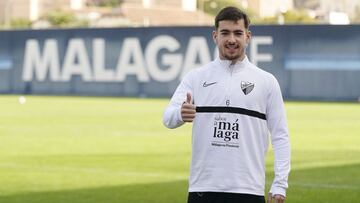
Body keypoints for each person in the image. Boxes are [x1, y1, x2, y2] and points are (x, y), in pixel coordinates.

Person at [163, 6, 290, 203]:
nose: (232, 39)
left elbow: (280, 136)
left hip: (249, 190)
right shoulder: (196, 77)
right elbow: (167, 118)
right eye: (225, 33)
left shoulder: (267, 81)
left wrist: (280, 183)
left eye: (238, 33)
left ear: (248, 37)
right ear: (215, 36)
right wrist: (180, 113)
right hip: (203, 188)